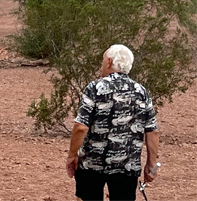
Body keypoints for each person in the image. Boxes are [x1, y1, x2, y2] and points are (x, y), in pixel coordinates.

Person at [66, 44, 159, 201]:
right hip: (127, 166)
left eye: (103, 60)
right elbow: (152, 131)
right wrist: (151, 163)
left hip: (92, 164)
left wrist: (72, 156)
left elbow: (81, 127)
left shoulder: (95, 88)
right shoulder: (141, 92)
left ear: (109, 62)